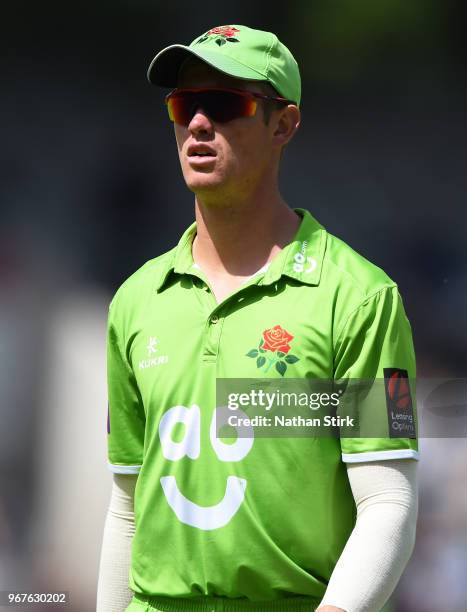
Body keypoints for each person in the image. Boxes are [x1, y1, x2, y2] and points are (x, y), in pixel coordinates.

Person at [97, 24, 419, 612]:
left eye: (223, 104)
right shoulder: (136, 300)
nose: (197, 123)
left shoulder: (360, 299)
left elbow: (388, 502)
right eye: (183, 105)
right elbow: (126, 506)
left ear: (283, 124)